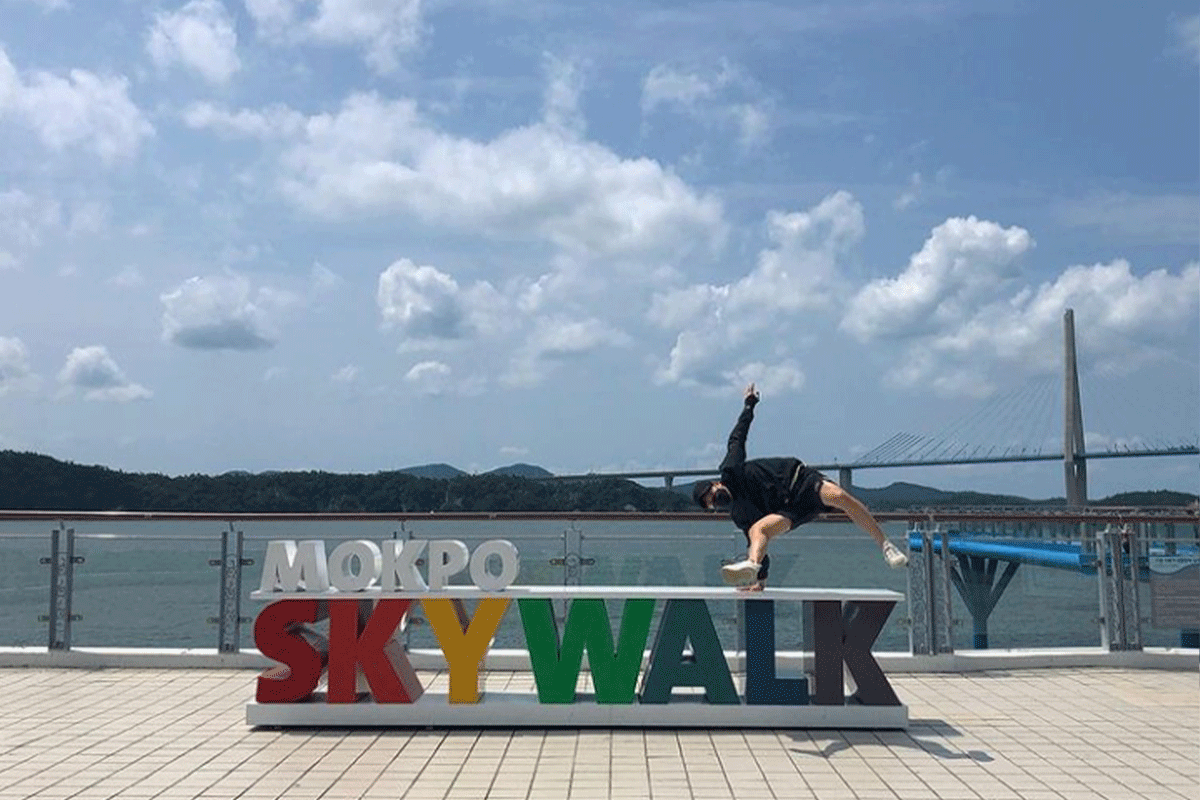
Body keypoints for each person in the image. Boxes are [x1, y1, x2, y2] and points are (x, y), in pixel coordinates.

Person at [693, 382, 908, 590]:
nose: (714, 502)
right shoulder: (739, 514)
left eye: (711, 495)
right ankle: (753, 568)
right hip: (790, 511)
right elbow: (756, 540)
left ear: (716, 483)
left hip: (799, 481)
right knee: (757, 530)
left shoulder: (731, 470)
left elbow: (737, 438)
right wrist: (762, 579)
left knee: (839, 496)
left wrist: (749, 405)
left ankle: (886, 546)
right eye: (710, 504)